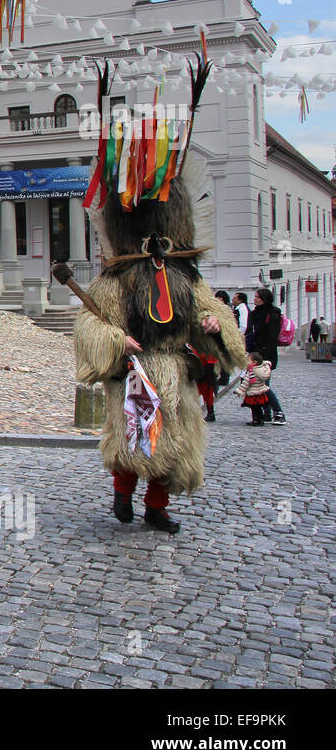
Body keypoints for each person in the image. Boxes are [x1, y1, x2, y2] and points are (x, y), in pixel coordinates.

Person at [73, 140, 247, 536]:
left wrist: (212, 323)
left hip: (174, 369)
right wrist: (117, 340)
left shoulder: (187, 276)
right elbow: (91, 323)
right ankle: (122, 493)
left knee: (175, 445)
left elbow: (210, 308)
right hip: (137, 370)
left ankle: (157, 507)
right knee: (134, 439)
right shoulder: (118, 276)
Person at [244, 287, 287, 425]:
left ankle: (278, 413)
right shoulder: (256, 314)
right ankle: (266, 413)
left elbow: (271, 338)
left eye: (257, 297)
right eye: (255, 296)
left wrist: (262, 357)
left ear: (264, 299)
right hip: (255, 353)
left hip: (265, 356)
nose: (254, 299)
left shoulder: (272, 315)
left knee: (262, 386)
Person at [237, 352, 273, 426]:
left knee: (254, 407)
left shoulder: (252, 371)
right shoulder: (261, 369)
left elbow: (246, 382)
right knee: (258, 407)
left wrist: (240, 391)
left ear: (254, 362)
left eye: (248, 361)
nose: (246, 363)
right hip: (259, 392)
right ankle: (260, 419)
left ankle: (257, 420)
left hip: (253, 392)